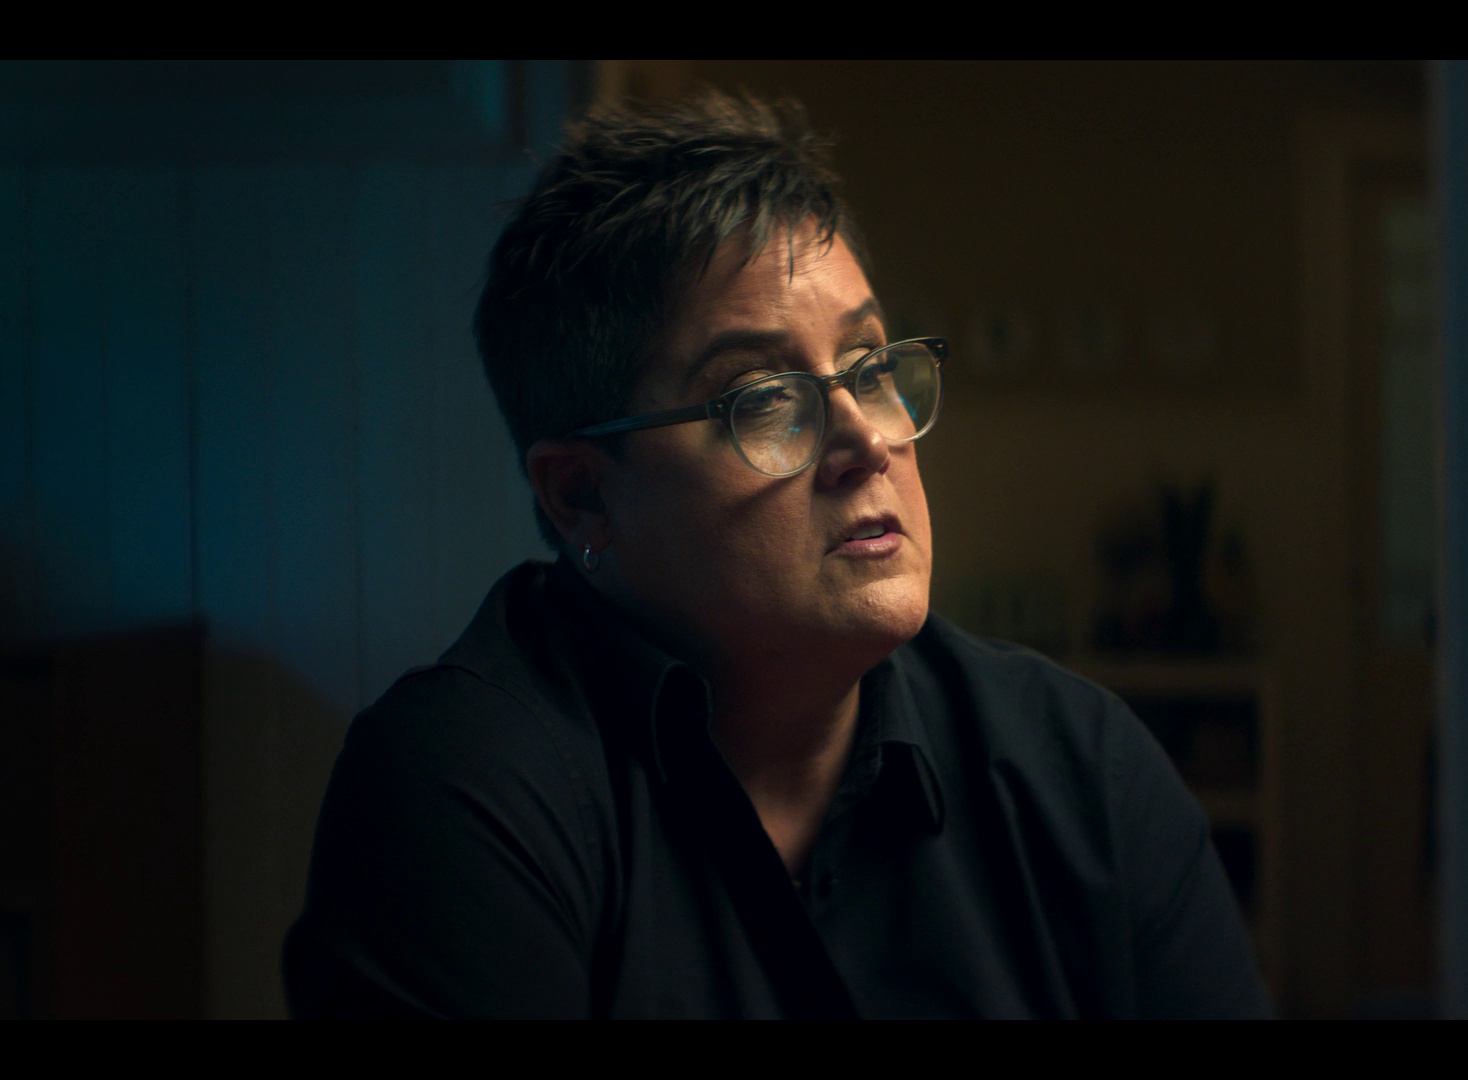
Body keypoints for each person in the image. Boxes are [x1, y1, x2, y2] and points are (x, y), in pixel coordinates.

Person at [283, 89, 1272, 1019]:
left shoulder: (1082, 773)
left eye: (871, 366)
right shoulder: (462, 793)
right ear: (583, 494)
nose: (867, 441)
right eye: (760, 399)